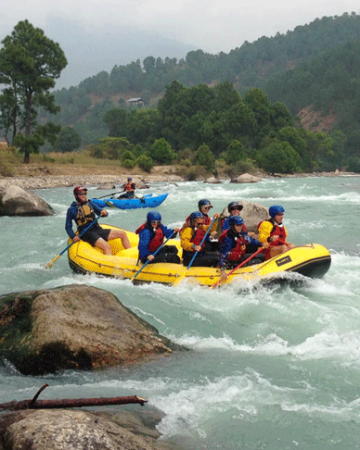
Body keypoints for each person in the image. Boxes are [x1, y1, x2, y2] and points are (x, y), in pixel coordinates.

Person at [66, 186, 131, 255]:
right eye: (81, 194)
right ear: (76, 196)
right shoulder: (72, 210)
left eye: (85, 193)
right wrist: (73, 236)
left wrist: (104, 213)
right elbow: (68, 227)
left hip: (97, 229)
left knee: (122, 234)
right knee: (107, 247)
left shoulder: (90, 204)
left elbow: (102, 212)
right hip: (86, 233)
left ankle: (131, 256)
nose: (84, 195)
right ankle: (109, 264)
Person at [218, 216, 269, 281]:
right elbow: (223, 254)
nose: (240, 227)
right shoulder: (229, 239)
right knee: (258, 261)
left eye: (241, 225)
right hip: (232, 263)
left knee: (262, 256)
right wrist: (222, 270)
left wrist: (261, 244)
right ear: (232, 226)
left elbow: (250, 240)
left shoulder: (241, 233)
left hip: (239, 258)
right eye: (238, 225)